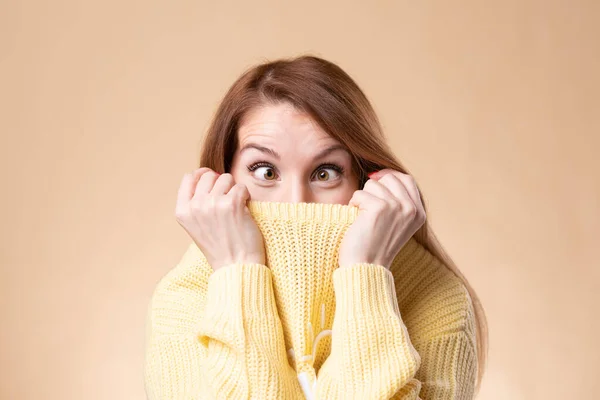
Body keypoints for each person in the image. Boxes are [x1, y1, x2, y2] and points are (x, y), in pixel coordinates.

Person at [144, 55, 488, 399]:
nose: (296, 202)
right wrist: (237, 272)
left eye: (325, 173)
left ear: (364, 178)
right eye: (265, 171)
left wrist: (366, 277)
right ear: (225, 176)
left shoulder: (437, 302)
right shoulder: (184, 301)